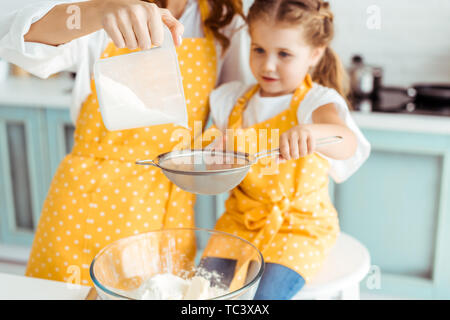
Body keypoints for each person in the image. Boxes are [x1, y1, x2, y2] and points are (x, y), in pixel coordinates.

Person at [0, 0, 255, 286]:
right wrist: (99, 12)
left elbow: (237, 108)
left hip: (171, 209)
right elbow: (12, 36)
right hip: (89, 205)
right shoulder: (103, 8)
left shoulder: (224, 18)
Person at [199, 0, 371, 299]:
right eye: (259, 49)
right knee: (203, 291)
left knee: (263, 298)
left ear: (315, 54)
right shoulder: (232, 100)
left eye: (284, 54)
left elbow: (347, 142)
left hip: (299, 227)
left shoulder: (316, 103)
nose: (267, 65)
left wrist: (314, 132)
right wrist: (216, 161)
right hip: (239, 221)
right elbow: (217, 168)